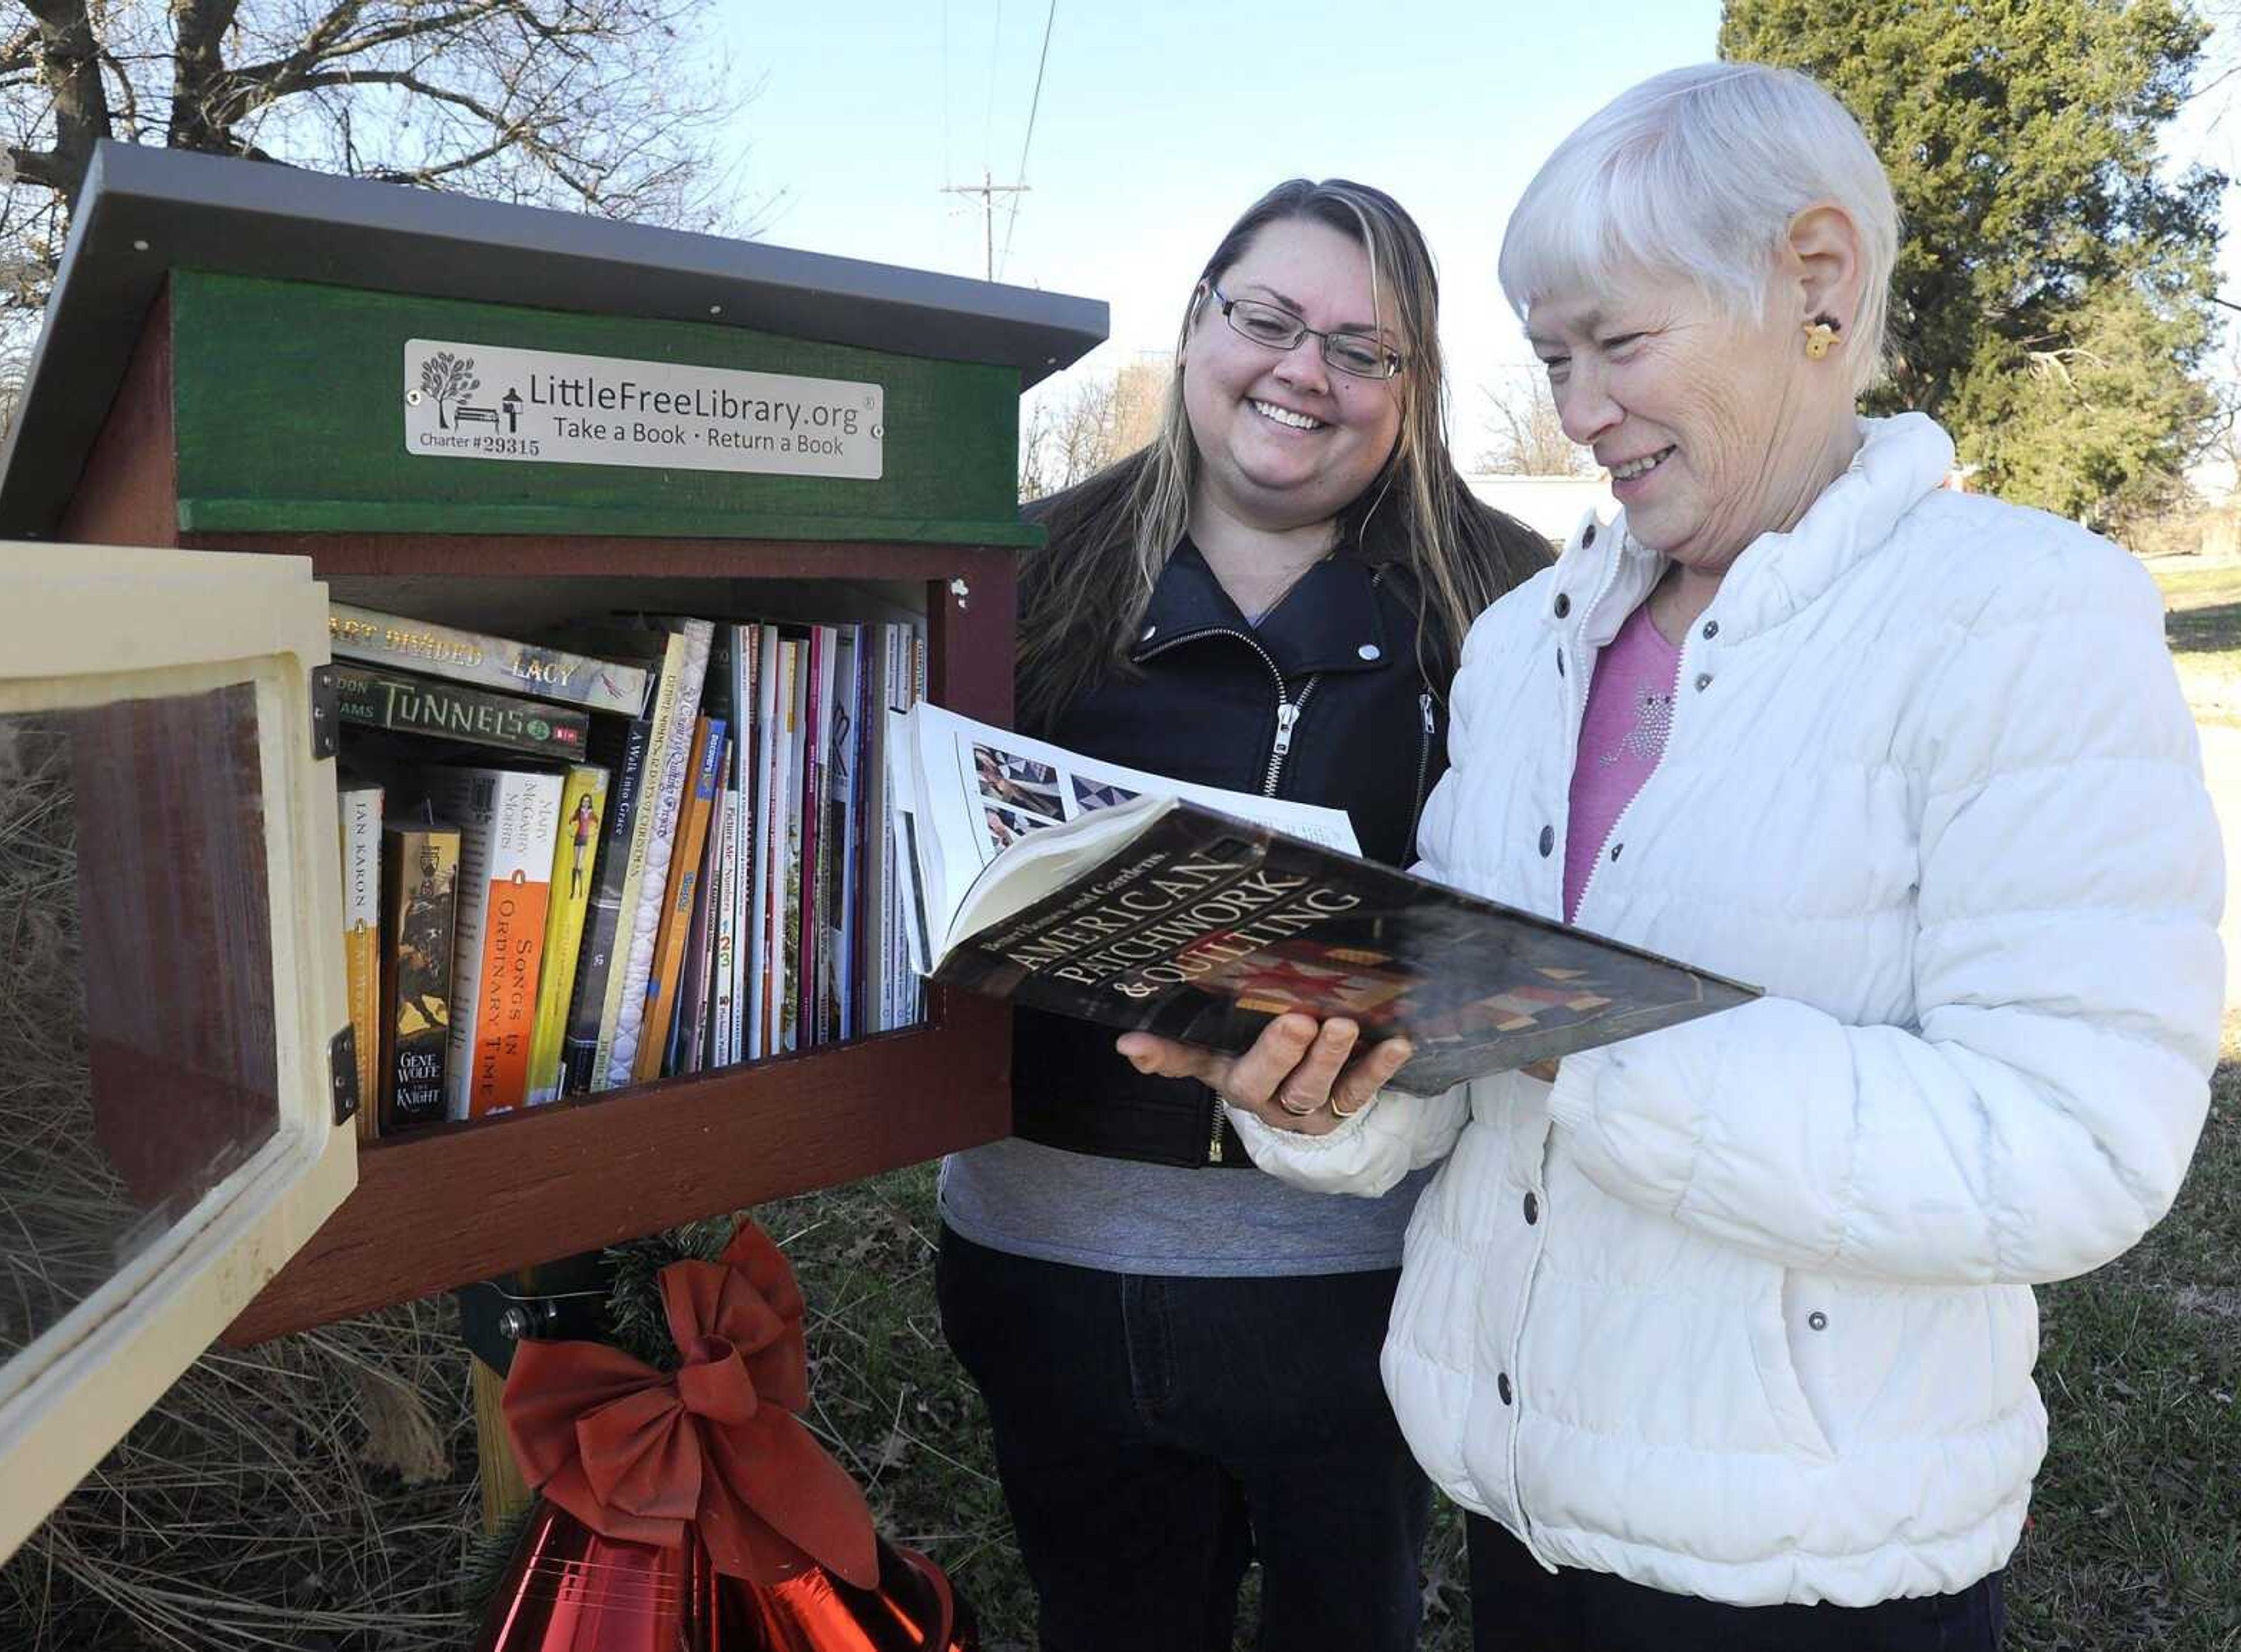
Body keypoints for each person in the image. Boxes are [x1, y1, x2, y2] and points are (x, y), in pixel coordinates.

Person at [1123, 66, 2224, 1651]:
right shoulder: (1524, 646)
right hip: (1520, 1522)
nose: (1574, 413)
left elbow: (2078, 1145)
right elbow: (1458, 1082)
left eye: (1619, 345)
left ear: (1819, 285)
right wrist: (1314, 1093)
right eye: (1553, 359)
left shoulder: (2025, 618)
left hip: (1811, 1572)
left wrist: (1587, 1035)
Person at [934, 178, 1551, 1652]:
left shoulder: (1517, 603)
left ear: (1417, 385)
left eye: (1362, 347)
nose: (1303, 370)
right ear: (1198, 320)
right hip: (1048, 1261)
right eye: (1265, 319)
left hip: (1358, 1279)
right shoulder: (1011, 567)